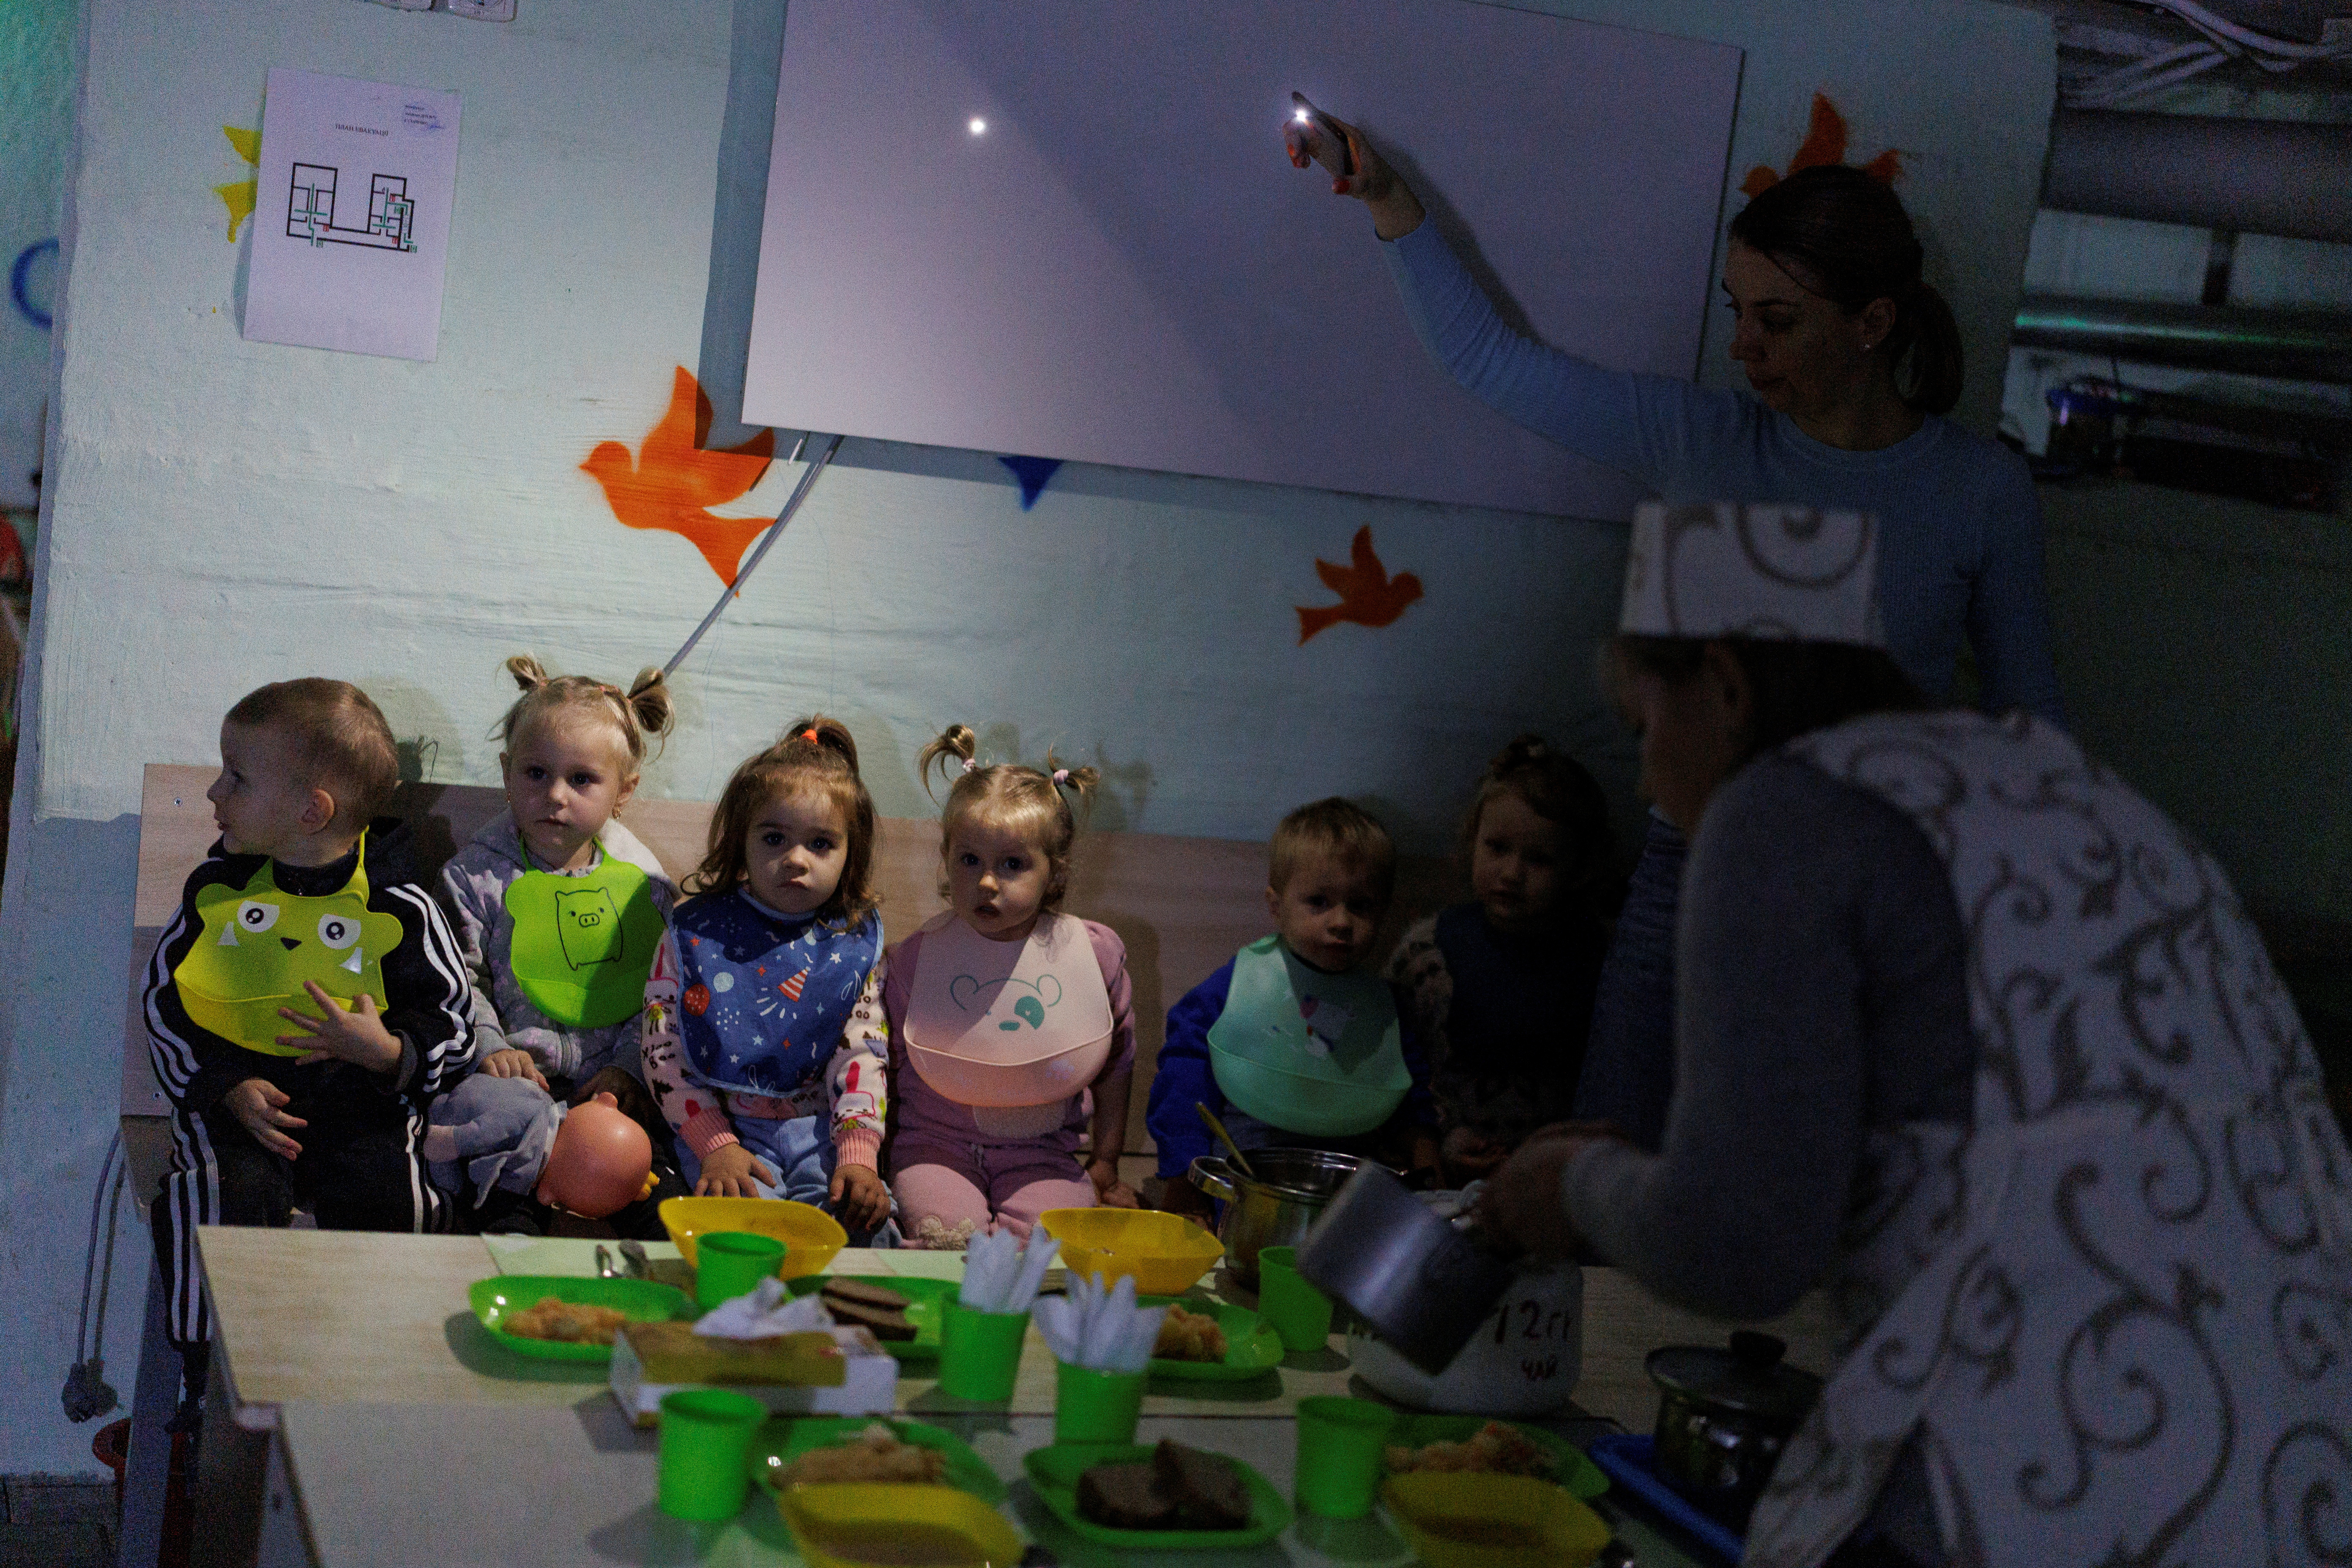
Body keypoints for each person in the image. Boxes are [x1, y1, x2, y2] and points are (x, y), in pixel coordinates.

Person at [1476, 500, 2352, 1568]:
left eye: (1641, 728)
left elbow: (1739, 1239)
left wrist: (1567, 1184)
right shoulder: (2078, 788)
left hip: (2053, 1470)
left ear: (1724, 684)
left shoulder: (1785, 808)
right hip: (2298, 1451)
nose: (1650, 776)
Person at [1289, 114, 2065, 1155]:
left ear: (1872, 322)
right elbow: (1485, 360)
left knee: (1795, 1205)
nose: (1742, 347)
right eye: (1736, 313)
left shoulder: (1978, 490)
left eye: (1777, 321)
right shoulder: (1703, 439)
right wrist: (1385, 196)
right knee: (1615, 1172)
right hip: (1684, 874)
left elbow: (2030, 733)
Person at [144, 678, 474, 1415]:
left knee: (399, 1200)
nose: (212, 792)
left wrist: (387, 1049)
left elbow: (454, 1023)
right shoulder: (216, 889)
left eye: (236, 776)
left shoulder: (401, 904)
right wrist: (226, 1084)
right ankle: (213, 1387)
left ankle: (387, 1381)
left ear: (310, 809)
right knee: (217, 1193)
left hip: (361, 1116)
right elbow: (165, 1003)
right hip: (242, 1117)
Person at [881, 726, 1138, 1247]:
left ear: (1055, 874)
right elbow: (882, 1065)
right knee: (945, 1241)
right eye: (969, 859)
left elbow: (1117, 1062)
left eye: (1013, 864)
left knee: (1048, 1251)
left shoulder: (1095, 955)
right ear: (946, 857)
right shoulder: (913, 959)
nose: (987, 882)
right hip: (935, 1147)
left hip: (1045, 1154)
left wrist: (1106, 1159)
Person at [637, 721, 893, 1240]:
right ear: (741, 839)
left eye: (821, 843)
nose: (796, 859)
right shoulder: (694, 933)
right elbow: (663, 1048)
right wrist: (716, 1144)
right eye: (774, 837)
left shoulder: (850, 943)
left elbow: (862, 1055)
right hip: (723, 1128)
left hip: (824, 1134)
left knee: (859, 1227)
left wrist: (859, 1153)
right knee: (744, 1236)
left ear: (851, 852)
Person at [1149, 797, 1439, 1221]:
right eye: (1319, 902)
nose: (1340, 921)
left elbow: (1406, 1085)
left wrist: (1426, 1156)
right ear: (1276, 905)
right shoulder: (1239, 983)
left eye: (1359, 906)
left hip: (1349, 1160)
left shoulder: (1384, 1005)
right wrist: (1184, 1172)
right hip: (1248, 1159)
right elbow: (1184, 1073)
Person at [439, 655, 678, 1098]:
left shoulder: (645, 890)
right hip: (506, 1078)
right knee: (492, 1115)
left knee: (617, 1145)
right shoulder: (472, 880)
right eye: (535, 773)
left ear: (624, 790)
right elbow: (459, 979)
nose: (554, 795)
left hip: (611, 1084)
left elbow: (657, 995)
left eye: (581, 779)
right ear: (507, 773)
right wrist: (489, 1047)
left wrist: (627, 1069)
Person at [1385, 736, 1617, 1187]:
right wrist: (1442, 1138)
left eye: (1539, 859)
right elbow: (1394, 1068)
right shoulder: (1428, 953)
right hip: (1444, 1166)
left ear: (1579, 867)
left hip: (1553, 1179)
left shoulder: (1601, 960)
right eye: (1497, 848)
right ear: (1471, 842)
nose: (1512, 873)